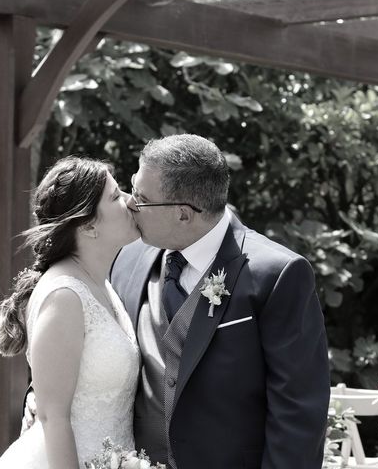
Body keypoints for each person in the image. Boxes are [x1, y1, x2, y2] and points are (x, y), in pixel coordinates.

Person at [24, 135, 330, 468]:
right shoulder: (124, 258)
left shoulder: (278, 275)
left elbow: (298, 414)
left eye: (141, 197)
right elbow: (76, 343)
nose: (130, 204)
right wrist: (41, 396)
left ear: (183, 214)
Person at [0, 156, 141, 468]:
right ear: (88, 225)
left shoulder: (101, 284)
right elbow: (53, 418)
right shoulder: (65, 296)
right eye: (115, 196)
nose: (130, 200)